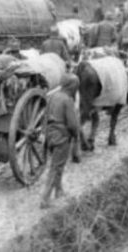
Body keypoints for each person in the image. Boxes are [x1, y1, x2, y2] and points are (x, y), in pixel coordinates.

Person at [40, 73, 80, 209]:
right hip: (62, 137)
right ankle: (45, 199)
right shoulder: (67, 100)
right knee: (56, 167)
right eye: (76, 86)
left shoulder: (53, 97)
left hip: (50, 136)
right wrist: (76, 135)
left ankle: (59, 190)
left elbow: (44, 116)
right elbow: (72, 124)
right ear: (72, 86)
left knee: (58, 164)